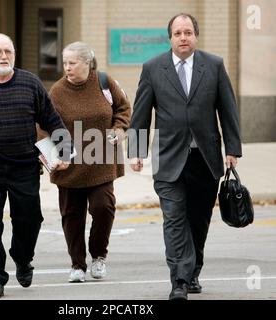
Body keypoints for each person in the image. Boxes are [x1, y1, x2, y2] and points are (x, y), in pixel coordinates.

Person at [128, 13, 242, 300]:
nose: (183, 37)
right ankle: (179, 280)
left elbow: (228, 110)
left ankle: (193, 272)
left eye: (188, 32)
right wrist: (136, 151)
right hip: (168, 158)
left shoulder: (213, 66)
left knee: (198, 219)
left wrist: (232, 148)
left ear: (196, 36)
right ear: (170, 38)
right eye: (178, 33)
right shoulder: (153, 68)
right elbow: (140, 114)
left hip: (205, 158)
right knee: (174, 219)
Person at [0, 33, 71, 299]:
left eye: (8, 51)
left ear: (15, 54)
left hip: (24, 166)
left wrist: (65, 151)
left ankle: (22, 258)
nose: (4, 56)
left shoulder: (30, 84)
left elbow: (53, 120)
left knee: (30, 219)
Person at [38, 41, 131, 283]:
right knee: (72, 216)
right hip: (69, 166)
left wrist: (120, 129)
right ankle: (77, 265)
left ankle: (99, 256)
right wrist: (52, 157)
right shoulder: (57, 92)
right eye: (64, 62)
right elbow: (42, 127)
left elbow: (123, 108)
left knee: (104, 207)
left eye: (72, 62)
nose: (66, 67)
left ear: (86, 63)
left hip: (100, 161)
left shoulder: (103, 82)